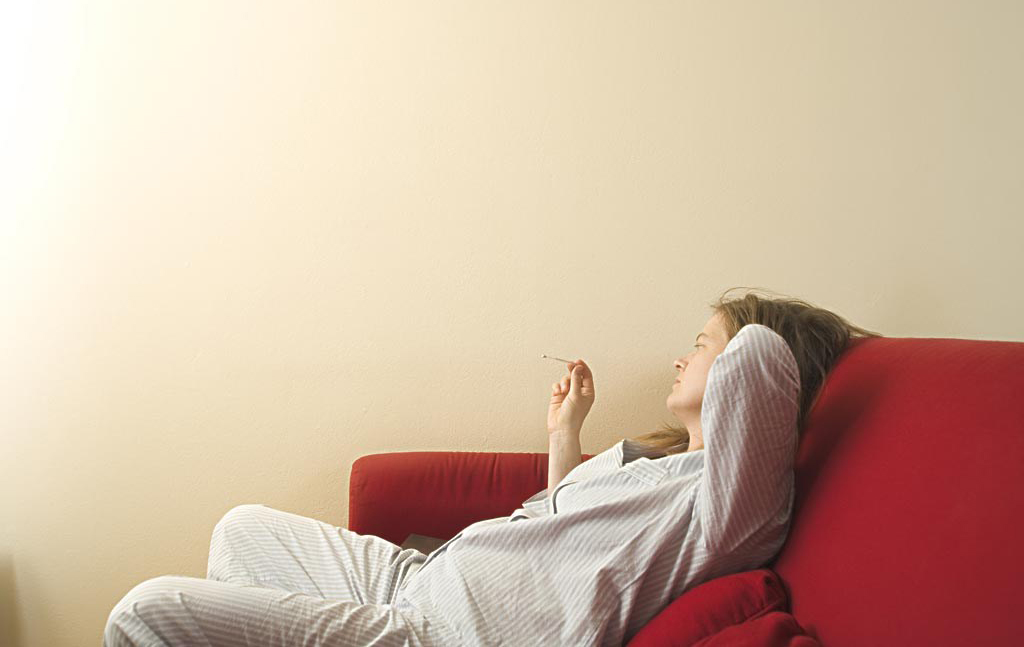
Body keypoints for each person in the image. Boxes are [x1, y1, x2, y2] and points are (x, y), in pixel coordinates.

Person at [103, 287, 881, 646]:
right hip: (419, 577)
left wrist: (763, 328)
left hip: (442, 634)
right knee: (238, 531)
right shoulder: (654, 457)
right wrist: (565, 435)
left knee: (145, 613)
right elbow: (560, 533)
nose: (682, 357)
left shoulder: (731, 509)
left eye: (701, 344)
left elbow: (760, 357)